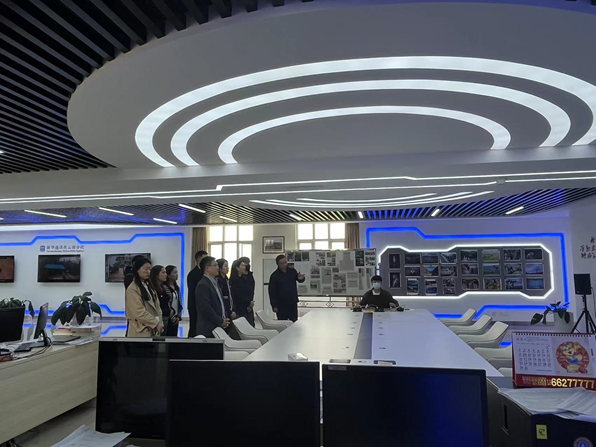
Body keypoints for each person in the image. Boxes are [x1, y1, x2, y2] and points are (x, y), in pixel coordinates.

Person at [125, 257, 163, 337]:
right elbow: (138, 312)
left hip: (152, 328)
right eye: (146, 269)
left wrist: (160, 322)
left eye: (150, 269)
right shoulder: (132, 289)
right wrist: (155, 323)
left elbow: (157, 307)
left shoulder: (149, 286)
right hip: (140, 330)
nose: (148, 272)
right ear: (137, 270)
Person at [195, 256, 230, 338]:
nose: (218, 268)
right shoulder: (203, 285)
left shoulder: (215, 282)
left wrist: (224, 317)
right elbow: (206, 308)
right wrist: (220, 321)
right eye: (215, 265)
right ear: (207, 268)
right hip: (208, 329)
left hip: (217, 327)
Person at [268, 254, 305, 322]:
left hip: (292, 302)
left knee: (294, 322)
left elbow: (299, 280)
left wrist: (301, 278)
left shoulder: (292, 271)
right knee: (283, 323)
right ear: (278, 264)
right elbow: (271, 292)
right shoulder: (274, 276)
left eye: (285, 262)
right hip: (281, 304)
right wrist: (273, 305)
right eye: (282, 263)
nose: (284, 265)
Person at [187, 250, 208, 338]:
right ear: (199, 260)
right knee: (194, 328)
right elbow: (193, 292)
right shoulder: (193, 274)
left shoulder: (205, 273)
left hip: (204, 305)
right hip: (195, 306)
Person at [230, 259, 255, 327]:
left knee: (250, 326)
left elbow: (249, 291)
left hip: (247, 307)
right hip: (239, 309)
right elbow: (237, 296)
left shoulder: (244, 279)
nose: (245, 267)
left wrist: (250, 302)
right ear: (237, 268)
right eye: (242, 265)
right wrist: (248, 303)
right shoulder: (234, 281)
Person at [163, 265, 182, 337]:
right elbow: (166, 303)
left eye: (177, 272)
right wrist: (171, 317)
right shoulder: (164, 288)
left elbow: (179, 302)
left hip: (176, 317)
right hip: (168, 318)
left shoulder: (177, 288)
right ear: (168, 275)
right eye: (174, 273)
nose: (177, 274)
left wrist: (178, 316)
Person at [150, 265, 169, 334]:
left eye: (166, 273)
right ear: (156, 275)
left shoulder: (163, 288)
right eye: (163, 273)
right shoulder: (153, 289)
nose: (166, 275)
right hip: (159, 318)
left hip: (166, 317)